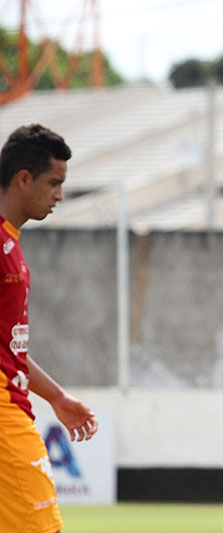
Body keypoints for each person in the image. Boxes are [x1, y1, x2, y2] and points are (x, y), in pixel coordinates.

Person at [0, 124, 98, 533]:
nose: (59, 194)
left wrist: (56, 396)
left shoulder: (11, 243)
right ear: (24, 179)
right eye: (54, 183)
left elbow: (9, 347)